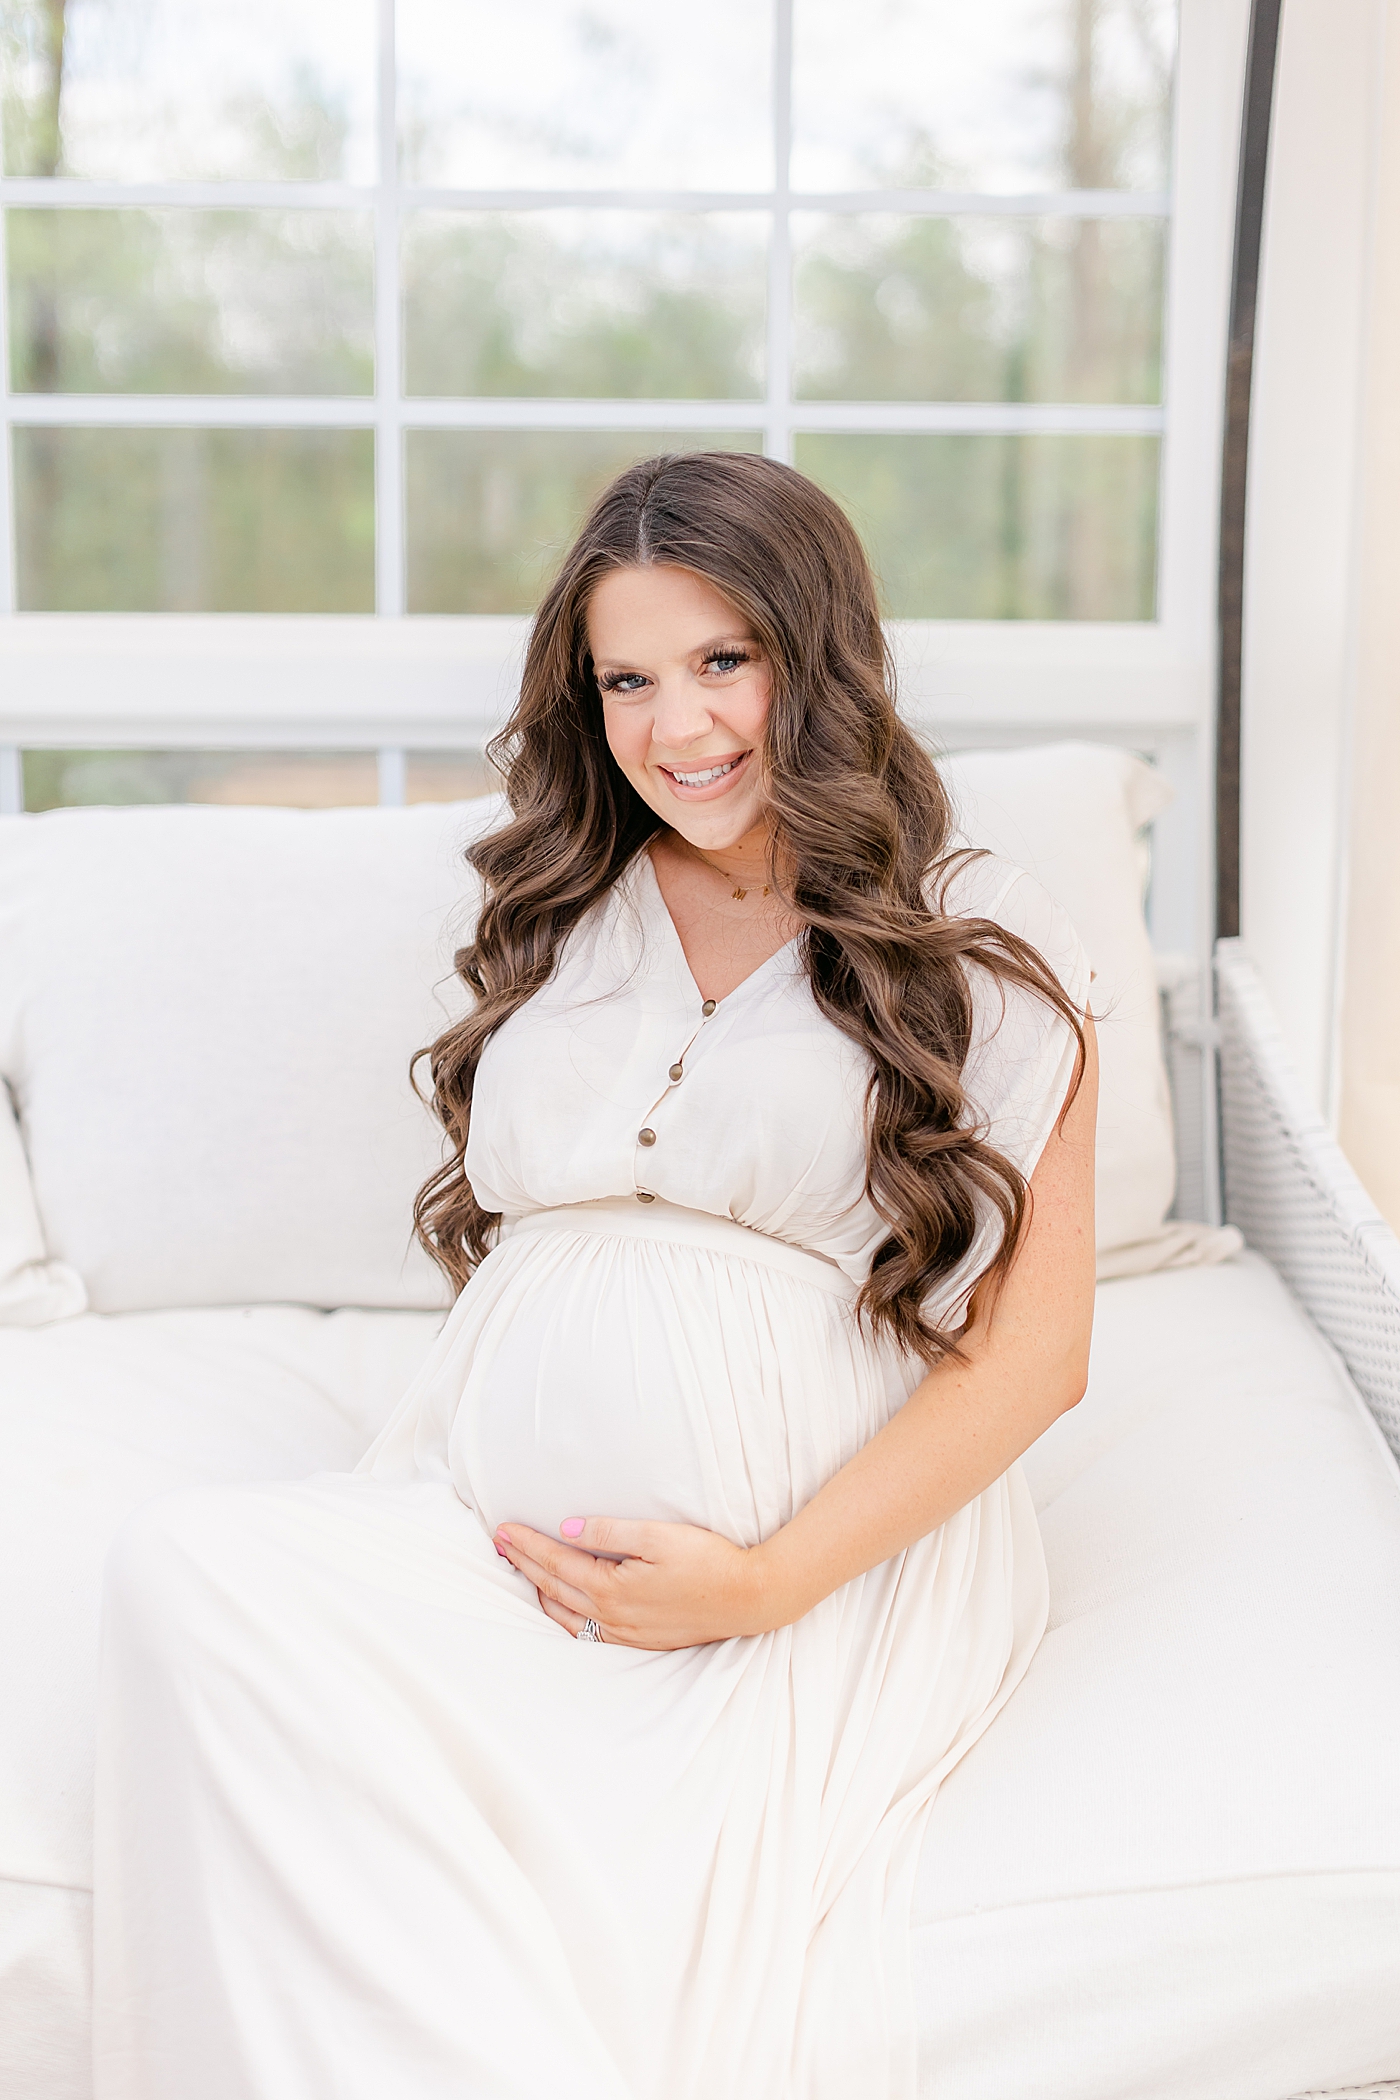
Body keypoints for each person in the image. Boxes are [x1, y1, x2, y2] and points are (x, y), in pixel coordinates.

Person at [92, 452, 1097, 2100]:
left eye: (723, 664)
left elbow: (1035, 1360)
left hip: (795, 1572)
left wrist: (763, 1581)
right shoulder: (570, 905)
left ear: (817, 657)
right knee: (182, 1575)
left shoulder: (970, 951)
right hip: (489, 1522)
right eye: (627, 680)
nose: (677, 729)